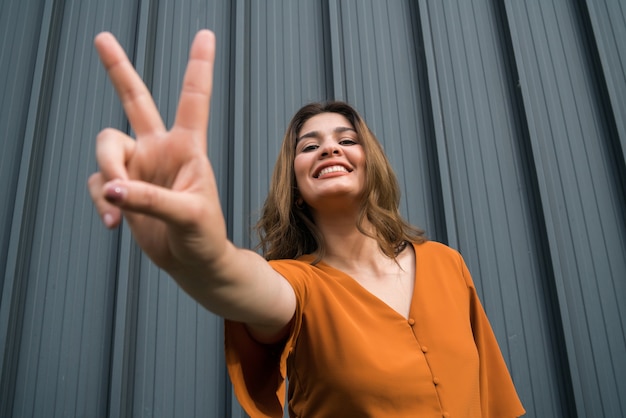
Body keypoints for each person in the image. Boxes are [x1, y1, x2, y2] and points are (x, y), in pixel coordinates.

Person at [89, 30, 525, 417]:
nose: (329, 150)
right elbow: (230, 279)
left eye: (346, 140)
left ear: (370, 166)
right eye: (309, 146)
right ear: (295, 185)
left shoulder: (448, 265)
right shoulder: (296, 286)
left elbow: (496, 404)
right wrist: (198, 254)